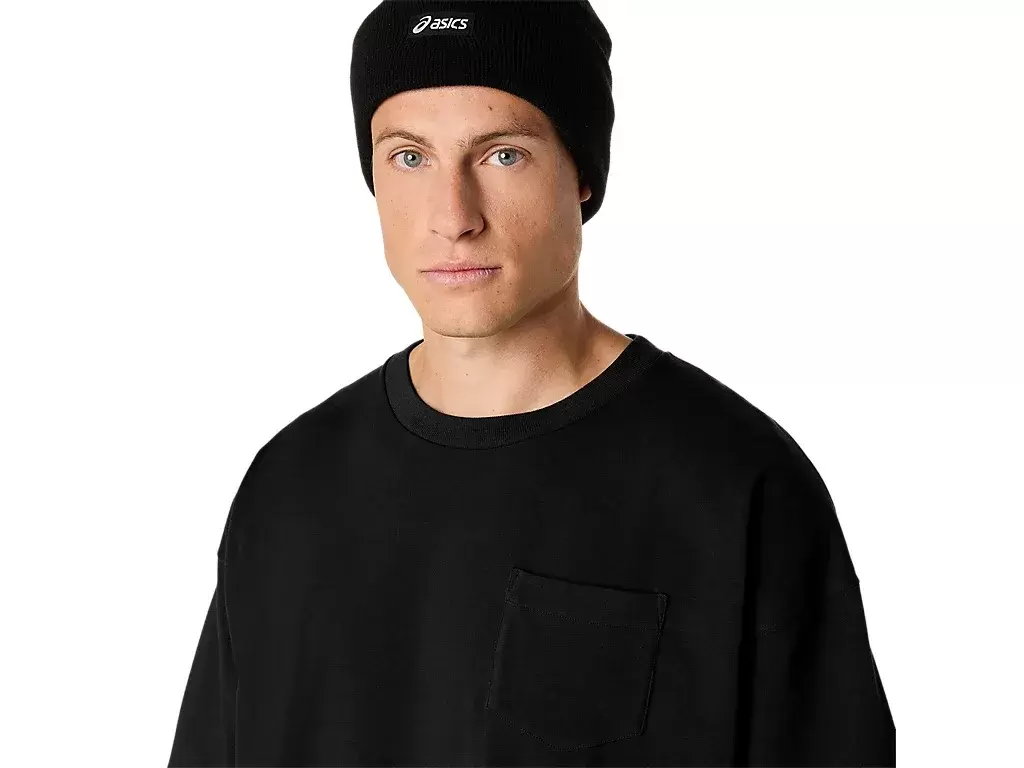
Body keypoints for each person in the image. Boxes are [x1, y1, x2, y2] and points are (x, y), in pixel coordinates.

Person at [168, 2, 896, 766]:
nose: (453, 216)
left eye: (502, 155)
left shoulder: (734, 484)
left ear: (581, 174)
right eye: (409, 157)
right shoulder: (290, 484)